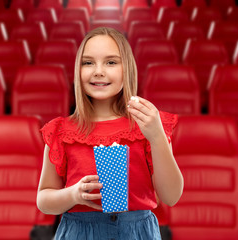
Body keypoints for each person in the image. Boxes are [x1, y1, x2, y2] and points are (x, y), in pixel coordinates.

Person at [36, 27, 183, 240]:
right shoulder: (61, 131)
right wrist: (73, 194)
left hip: (138, 232)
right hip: (78, 232)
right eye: (88, 62)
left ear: (128, 69)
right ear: (78, 70)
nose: (98, 71)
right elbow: (44, 200)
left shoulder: (148, 124)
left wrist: (157, 137)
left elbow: (171, 196)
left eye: (111, 62)